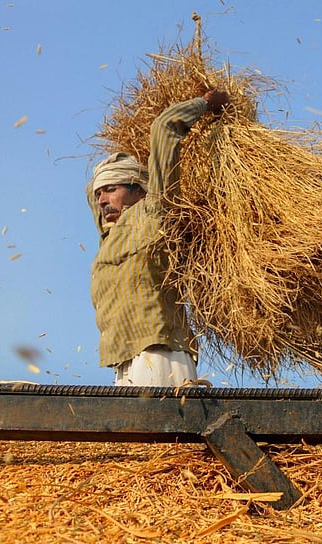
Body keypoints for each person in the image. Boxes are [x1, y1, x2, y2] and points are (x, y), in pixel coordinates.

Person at [86, 89, 229, 386]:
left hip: (160, 354)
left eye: (111, 189)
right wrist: (105, 179)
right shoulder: (107, 240)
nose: (101, 200)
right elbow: (93, 193)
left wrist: (206, 104)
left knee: (163, 434)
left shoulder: (154, 212)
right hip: (123, 360)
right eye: (99, 193)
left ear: (139, 190)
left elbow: (164, 127)